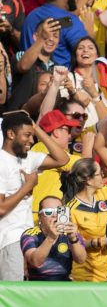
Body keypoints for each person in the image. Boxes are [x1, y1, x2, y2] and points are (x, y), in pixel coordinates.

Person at [0, 111, 69, 281]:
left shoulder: (29, 158)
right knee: (13, 293)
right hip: (9, 238)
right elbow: (1, 208)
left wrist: (36, 128)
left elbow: (62, 159)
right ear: (10, 134)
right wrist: (28, 186)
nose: (32, 140)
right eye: (27, 135)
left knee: (27, 290)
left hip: (29, 236)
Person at [61, 158, 107, 282]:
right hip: (86, 275)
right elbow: (72, 246)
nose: (103, 176)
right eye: (99, 174)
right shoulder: (70, 209)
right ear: (88, 180)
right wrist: (98, 242)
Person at [21, 195, 86, 280]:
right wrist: (51, 238)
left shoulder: (69, 232)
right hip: (37, 286)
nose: (54, 215)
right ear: (40, 217)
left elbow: (81, 260)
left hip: (63, 285)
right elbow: (35, 262)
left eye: (59, 211)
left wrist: (73, 239)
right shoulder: (31, 235)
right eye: (48, 212)